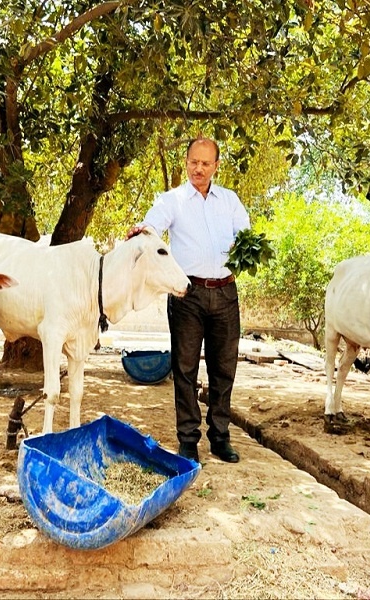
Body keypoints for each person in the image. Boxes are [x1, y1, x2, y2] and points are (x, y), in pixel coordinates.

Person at [127, 137, 249, 464]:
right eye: (194, 161)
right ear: (186, 162)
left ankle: (220, 436)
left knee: (225, 368)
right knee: (185, 368)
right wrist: (143, 230)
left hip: (225, 292)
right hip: (188, 295)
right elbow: (153, 225)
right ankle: (188, 439)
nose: (199, 168)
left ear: (216, 166)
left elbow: (246, 237)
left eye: (205, 163)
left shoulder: (230, 201)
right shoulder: (173, 200)